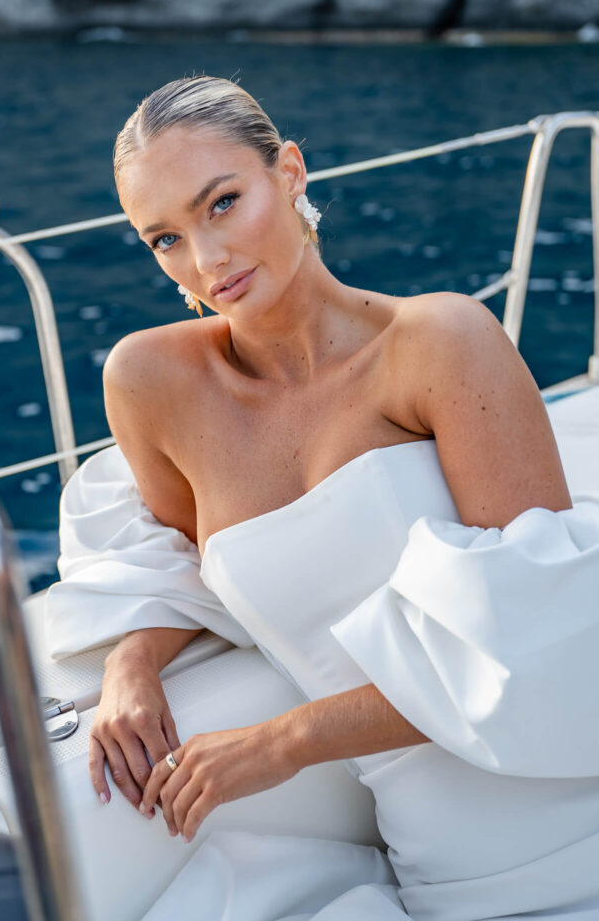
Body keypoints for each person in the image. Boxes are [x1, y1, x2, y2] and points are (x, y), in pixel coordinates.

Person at [45, 75, 599, 920]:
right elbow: (190, 552)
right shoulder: (153, 383)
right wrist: (133, 658)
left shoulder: (441, 342)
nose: (207, 260)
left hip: (572, 819)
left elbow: (534, 644)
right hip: (442, 865)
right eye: (164, 238)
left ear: (290, 173)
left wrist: (284, 743)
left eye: (222, 203)